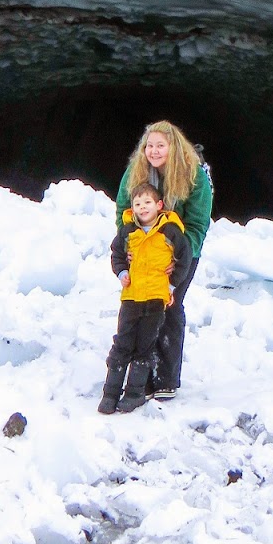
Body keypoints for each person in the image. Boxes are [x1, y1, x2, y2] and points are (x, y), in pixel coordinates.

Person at [114, 121, 213, 400]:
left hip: (180, 255)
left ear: (174, 147)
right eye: (149, 146)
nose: (154, 151)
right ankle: (139, 378)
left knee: (169, 306)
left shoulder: (194, 177)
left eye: (160, 145)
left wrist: (178, 258)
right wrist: (127, 244)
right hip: (144, 251)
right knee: (140, 308)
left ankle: (165, 378)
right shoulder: (135, 173)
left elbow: (197, 224)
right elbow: (124, 209)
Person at [99, 182, 192, 414]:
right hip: (131, 297)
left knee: (145, 345)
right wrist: (121, 272)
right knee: (122, 343)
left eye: (147, 203)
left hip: (155, 299)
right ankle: (110, 394)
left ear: (159, 205)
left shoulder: (170, 231)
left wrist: (172, 284)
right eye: (137, 204)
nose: (142, 208)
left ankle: (134, 393)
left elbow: (186, 256)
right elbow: (117, 253)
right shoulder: (128, 231)